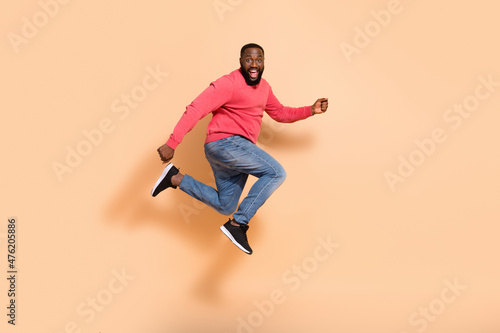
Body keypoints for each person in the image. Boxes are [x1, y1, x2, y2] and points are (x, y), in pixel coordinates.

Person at [151, 43, 328, 255]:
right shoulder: (228, 83)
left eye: (258, 60)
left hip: (235, 153)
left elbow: (280, 113)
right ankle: (237, 225)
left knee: (225, 205)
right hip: (225, 144)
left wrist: (310, 110)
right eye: (249, 59)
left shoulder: (264, 88)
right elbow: (196, 109)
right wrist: (172, 142)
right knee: (276, 172)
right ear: (241, 61)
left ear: (263, 63)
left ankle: (175, 178)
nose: (254, 64)